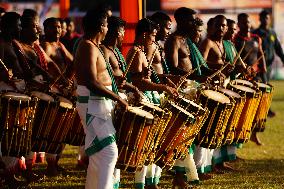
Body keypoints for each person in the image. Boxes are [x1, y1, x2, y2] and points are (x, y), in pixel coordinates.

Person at [74, 9, 128, 189]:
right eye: (106, 25)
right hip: (92, 104)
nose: (108, 29)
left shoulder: (94, 46)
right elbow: (90, 82)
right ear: (101, 27)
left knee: (99, 156)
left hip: (99, 104)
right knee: (109, 153)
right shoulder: (87, 46)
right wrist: (118, 99)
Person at [126, 17, 178, 189]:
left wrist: (163, 82)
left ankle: (151, 183)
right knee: (144, 143)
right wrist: (162, 87)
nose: (154, 39)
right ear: (144, 35)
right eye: (153, 36)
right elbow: (138, 83)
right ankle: (141, 184)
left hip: (151, 97)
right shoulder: (134, 52)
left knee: (153, 143)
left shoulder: (140, 51)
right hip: (143, 99)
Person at [235, 13, 266, 146]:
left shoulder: (256, 38)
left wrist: (263, 67)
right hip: (244, 76)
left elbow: (260, 53)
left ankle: (254, 134)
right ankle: (241, 134)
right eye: (243, 22)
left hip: (257, 75)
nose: (246, 24)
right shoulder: (236, 39)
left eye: (248, 22)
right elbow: (237, 59)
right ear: (239, 24)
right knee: (246, 107)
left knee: (259, 107)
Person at [253, 9, 284, 117]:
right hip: (258, 67)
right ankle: (266, 110)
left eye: (267, 18)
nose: (266, 20)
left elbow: (278, 48)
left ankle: (262, 110)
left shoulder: (272, 33)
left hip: (268, 67)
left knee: (265, 87)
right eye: (264, 18)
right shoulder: (256, 33)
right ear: (260, 19)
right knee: (265, 87)